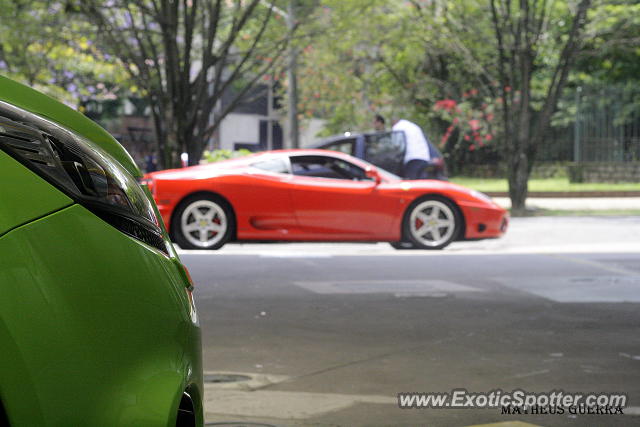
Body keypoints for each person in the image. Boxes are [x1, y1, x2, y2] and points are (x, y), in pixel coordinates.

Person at [374, 115, 431, 179]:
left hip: (412, 159)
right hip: (425, 158)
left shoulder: (398, 127)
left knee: (411, 184)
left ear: (394, 122)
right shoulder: (413, 126)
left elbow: (396, 145)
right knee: (420, 184)